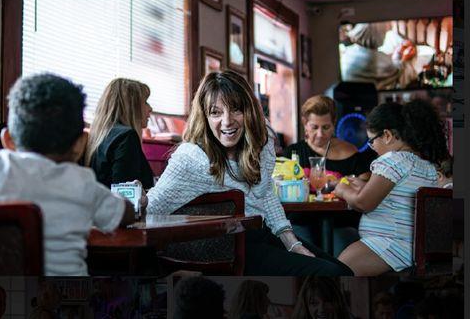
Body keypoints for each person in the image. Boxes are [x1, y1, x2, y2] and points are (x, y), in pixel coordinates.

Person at [0, 73, 139, 276]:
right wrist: (130, 199)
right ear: (80, 145)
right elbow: (126, 213)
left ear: (8, 140)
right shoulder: (82, 182)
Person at [147, 70, 352, 275]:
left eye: (236, 110)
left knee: (344, 271)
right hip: (227, 249)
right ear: (205, 116)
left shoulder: (259, 144)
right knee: (334, 274)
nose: (227, 121)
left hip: (262, 234)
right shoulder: (191, 158)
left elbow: (265, 196)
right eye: (216, 112)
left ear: (250, 111)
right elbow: (151, 207)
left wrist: (293, 244)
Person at [334, 99, 449, 275]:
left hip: (389, 245)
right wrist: (365, 185)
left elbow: (363, 203)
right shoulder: (426, 165)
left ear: (387, 135)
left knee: (338, 270)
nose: (371, 147)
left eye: (372, 141)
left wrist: (342, 190)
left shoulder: (393, 160)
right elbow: (398, 195)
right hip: (413, 246)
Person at [282, 95, 375, 256]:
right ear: (305, 124)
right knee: (305, 255)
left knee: (342, 257)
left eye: (326, 127)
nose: (320, 134)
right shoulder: (292, 153)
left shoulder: (350, 152)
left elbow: (367, 184)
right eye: (314, 127)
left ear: (334, 125)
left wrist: (347, 183)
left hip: (341, 222)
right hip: (301, 219)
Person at [86, 78, 155, 189]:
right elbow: (126, 195)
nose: (150, 108)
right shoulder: (126, 137)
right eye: (145, 102)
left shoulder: (100, 136)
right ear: (131, 105)